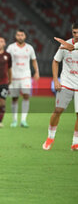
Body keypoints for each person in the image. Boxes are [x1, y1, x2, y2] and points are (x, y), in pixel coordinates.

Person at [42, 23, 78, 151]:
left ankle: (75, 142)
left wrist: (74, 48)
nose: (76, 35)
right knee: (58, 110)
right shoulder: (65, 44)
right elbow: (55, 61)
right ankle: (50, 137)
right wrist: (56, 80)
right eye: (74, 32)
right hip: (67, 83)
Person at [6, 29, 39, 128]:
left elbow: (34, 60)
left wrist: (37, 71)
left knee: (26, 96)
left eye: (22, 35)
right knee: (14, 98)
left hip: (26, 76)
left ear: (25, 36)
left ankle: (23, 120)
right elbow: (6, 61)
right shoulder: (11, 48)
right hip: (14, 76)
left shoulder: (29, 48)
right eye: (18, 35)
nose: (20, 37)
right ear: (16, 36)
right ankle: (14, 120)